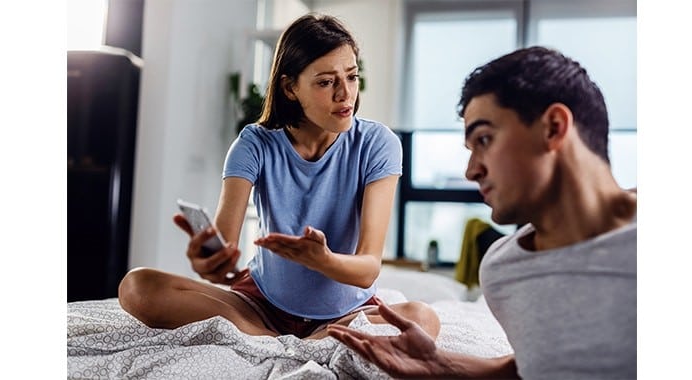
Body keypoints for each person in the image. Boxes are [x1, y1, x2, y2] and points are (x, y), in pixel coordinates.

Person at [117, 13, 441, 340]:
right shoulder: (253, 143)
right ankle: (287, 341)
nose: (346, 94)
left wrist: (323, 260)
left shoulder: (377, 144)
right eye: (327, 82)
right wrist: (210, 261)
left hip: (346, 312)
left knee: (422, 318)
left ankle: (274, 340)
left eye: (352, 77)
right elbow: (225, 253)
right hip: (260, 304)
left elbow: (369, 267)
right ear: (289, 87)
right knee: (137, 287)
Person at [328, 46, 637, 379]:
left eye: (485, 139)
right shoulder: (504, 270)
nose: (471, 171)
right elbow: (537, 369)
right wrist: (440, 365)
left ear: (554, 127)